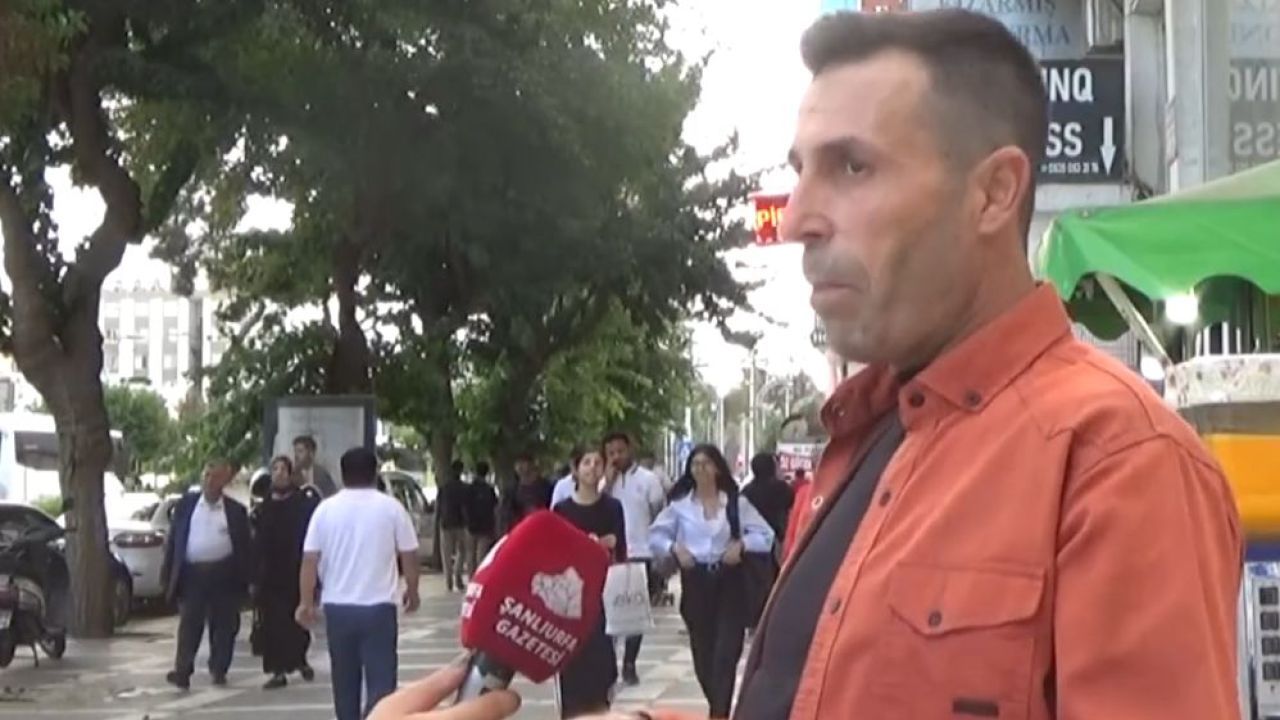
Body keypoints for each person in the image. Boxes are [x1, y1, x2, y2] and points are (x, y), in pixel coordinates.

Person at [733, 10, 1242, 720]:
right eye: (800, 171)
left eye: (852, 167)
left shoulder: (1117, 459)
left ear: (995, 193)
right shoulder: (862, 436)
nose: (797, 221)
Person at [649, 445, 774, 720]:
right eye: (695, 464)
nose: (700, 469)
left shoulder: (736, 504)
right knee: (703, 657)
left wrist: (741, 545)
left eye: (706, 463)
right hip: (696, 582)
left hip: (729, 582)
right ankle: (718, 708)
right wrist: (674, 548)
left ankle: (719, 714)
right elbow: (655, 536)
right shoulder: (679, 508)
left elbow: (766, 535)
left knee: (726, 654)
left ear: (717, 468)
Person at [297, 447, 422, 720]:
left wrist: (306, 602)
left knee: (344, 680)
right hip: (379, 608)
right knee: (382, 681)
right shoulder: (392, 508)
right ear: (374, 472)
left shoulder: (325, 510)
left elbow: (310, 560)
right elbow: (409, 555)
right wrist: (412, 591)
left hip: (338, 608)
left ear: (342, 474)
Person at [161, 459, 253, 690]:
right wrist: (168, 574)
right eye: (206, 476)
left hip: (224, 574)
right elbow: (174, 541)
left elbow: (246, 547)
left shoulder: (235, 511)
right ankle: (182, 670)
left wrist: (250, 580)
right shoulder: (187, 505)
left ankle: (219, 667)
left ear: (225, 480)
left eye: (215, 477)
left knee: (224, 625)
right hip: (193, 574)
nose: (210, 481)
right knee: (189, 624)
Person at [552, 446, 627, 718]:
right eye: (586, 462)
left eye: (597, 462)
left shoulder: (613, 507)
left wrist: (607, 544)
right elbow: (554, 554)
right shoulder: (561, 510)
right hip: (570, 598)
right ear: (575, 469)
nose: (592, 468)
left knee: (602, 666)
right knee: (572, 667)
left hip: (603, 596)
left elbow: (621, 548)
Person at [602, 431, 666, 686]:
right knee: (608, 610)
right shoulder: (603, 481)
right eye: (611, 453)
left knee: (635, 610)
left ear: (630, 450)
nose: (617, 457)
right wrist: (607, 482)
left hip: (640, 551)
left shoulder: (648, 480)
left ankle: (629, 663)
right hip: (610, 554)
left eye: (620, 451)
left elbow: (658, 510)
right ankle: (608, 663)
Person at [253, 455, 321, 689]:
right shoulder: (264, 506)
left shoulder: (302, 503)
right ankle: (278, 671)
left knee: (297, 622)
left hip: (296, 572)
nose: (279, 473)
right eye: (275, 469)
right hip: (270, 576)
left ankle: (300, 659)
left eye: (284, 469)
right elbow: (257, 542)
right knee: (273, 624)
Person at [437, 459, 471, 592]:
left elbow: (439, 507)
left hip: (446, 523)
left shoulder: (444, 488)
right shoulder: (464, 488)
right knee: (462, 551)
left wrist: (439, 520)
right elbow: (466, 507)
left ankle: (448, 581)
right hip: (460, 523)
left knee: (446, 553)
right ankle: (457, 575)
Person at [502, 452, 554, 533]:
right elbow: (506, 513)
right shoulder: (512, 490)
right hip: (520, 530)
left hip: (543, 527)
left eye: (523, 463)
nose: (520, 467)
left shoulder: (546, 487)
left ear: (531, 464)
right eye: (517, 464)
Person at [465, 462, 499, 570]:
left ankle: (471, 576)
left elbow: (465, 506)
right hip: (486, 526)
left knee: (470, 554)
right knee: (481, 555)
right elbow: (495, 507)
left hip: (471, 525)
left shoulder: (469, 489)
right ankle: (480, 575)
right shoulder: (489, 490)